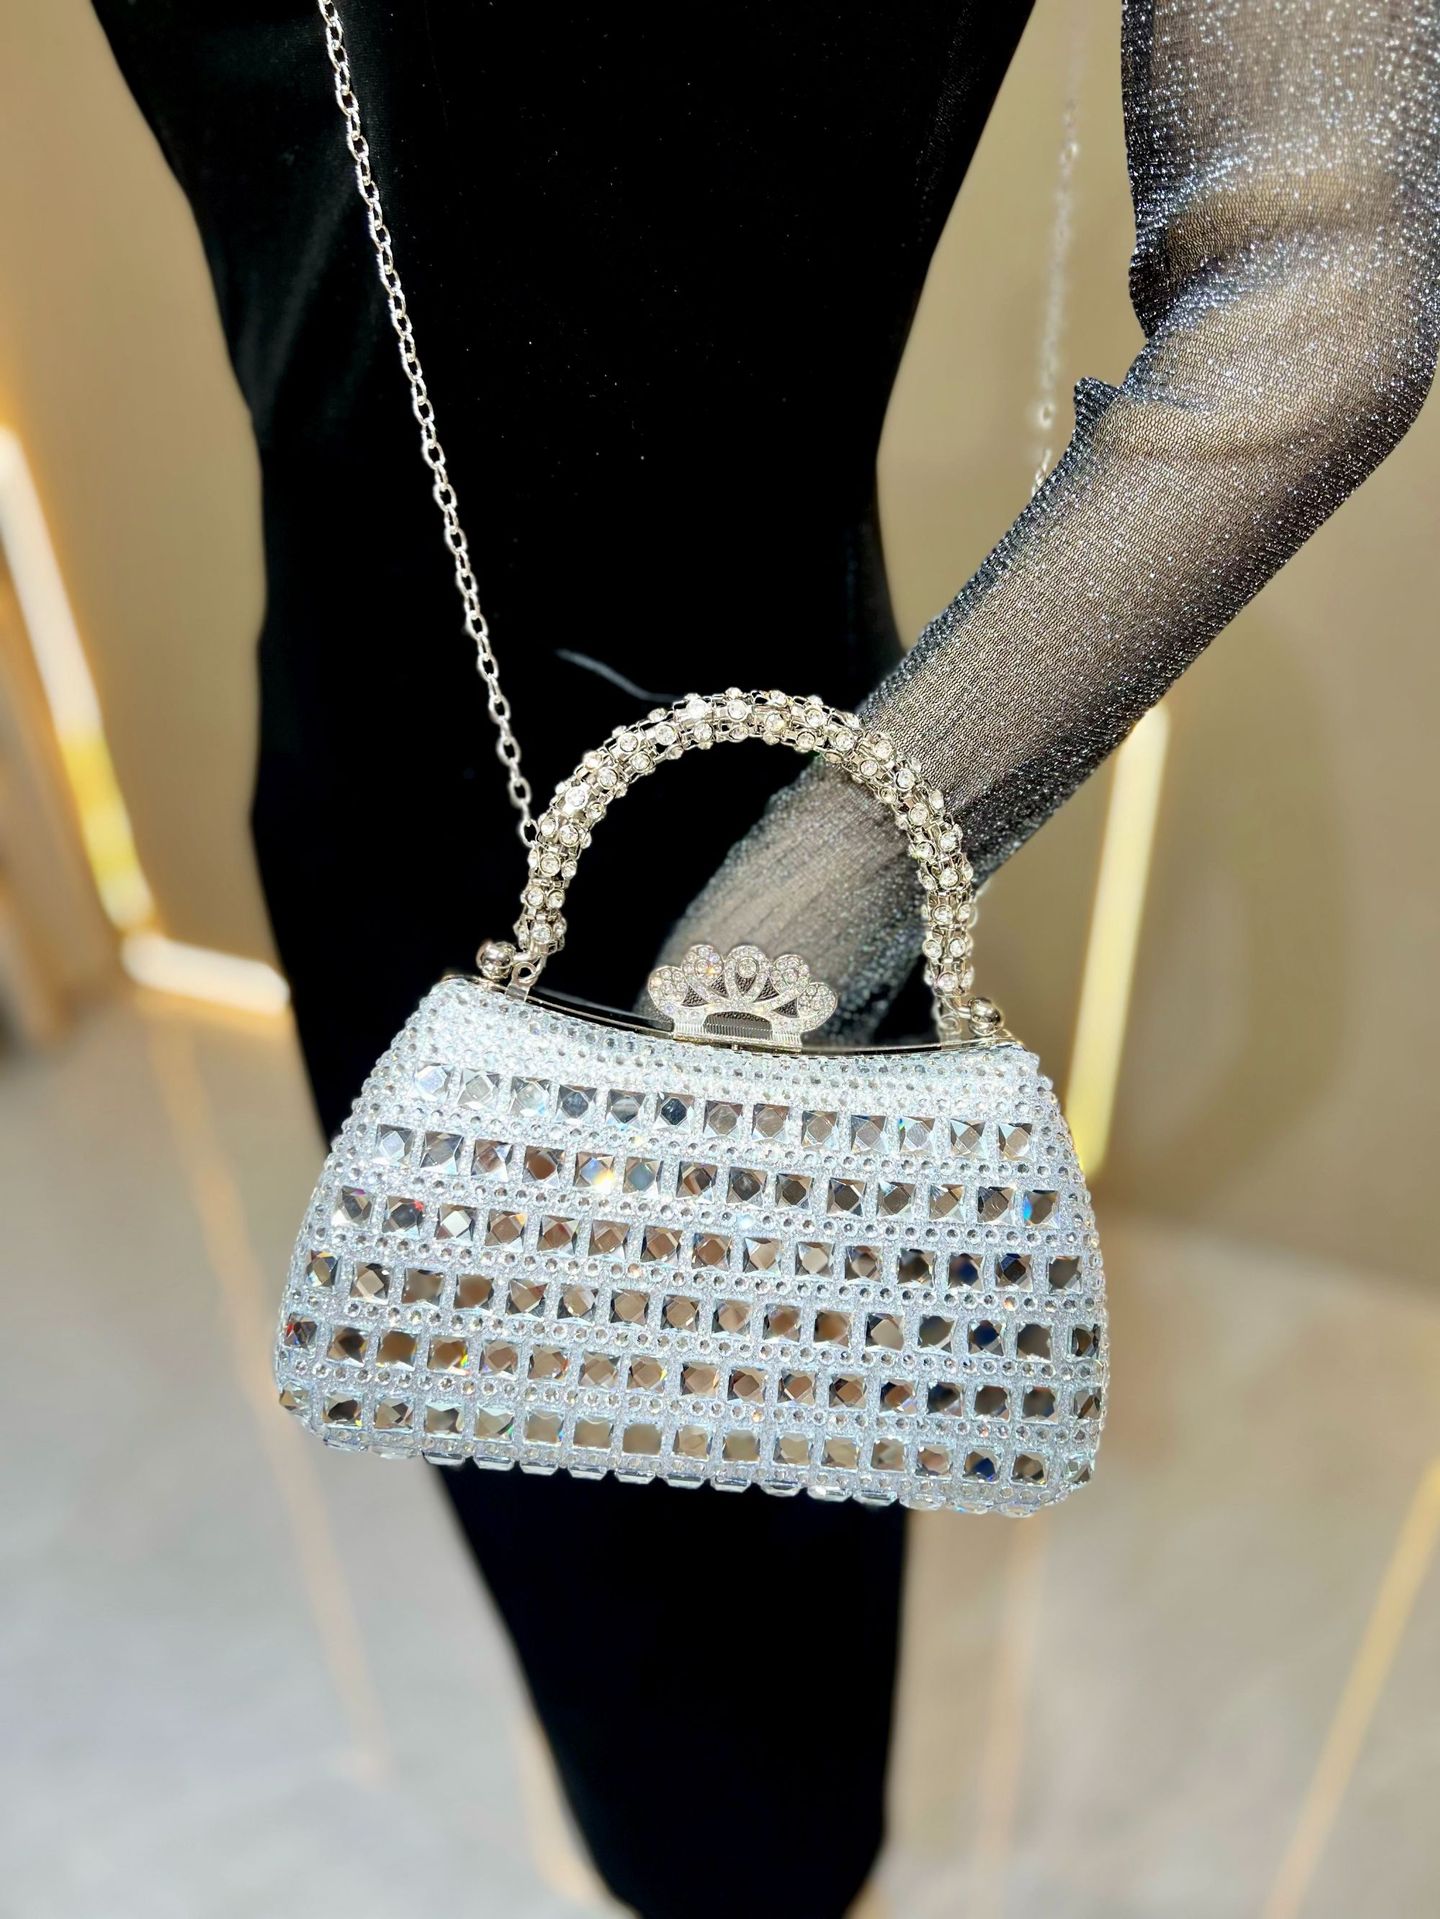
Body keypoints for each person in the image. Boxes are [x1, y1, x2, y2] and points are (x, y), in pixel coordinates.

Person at [91, 4, 1439, 1913]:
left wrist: (790, 926)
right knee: (577, 1588)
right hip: (371, 818)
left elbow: (1324, 289)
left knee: (755, 1666)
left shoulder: (778, 952)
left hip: (779, 914)